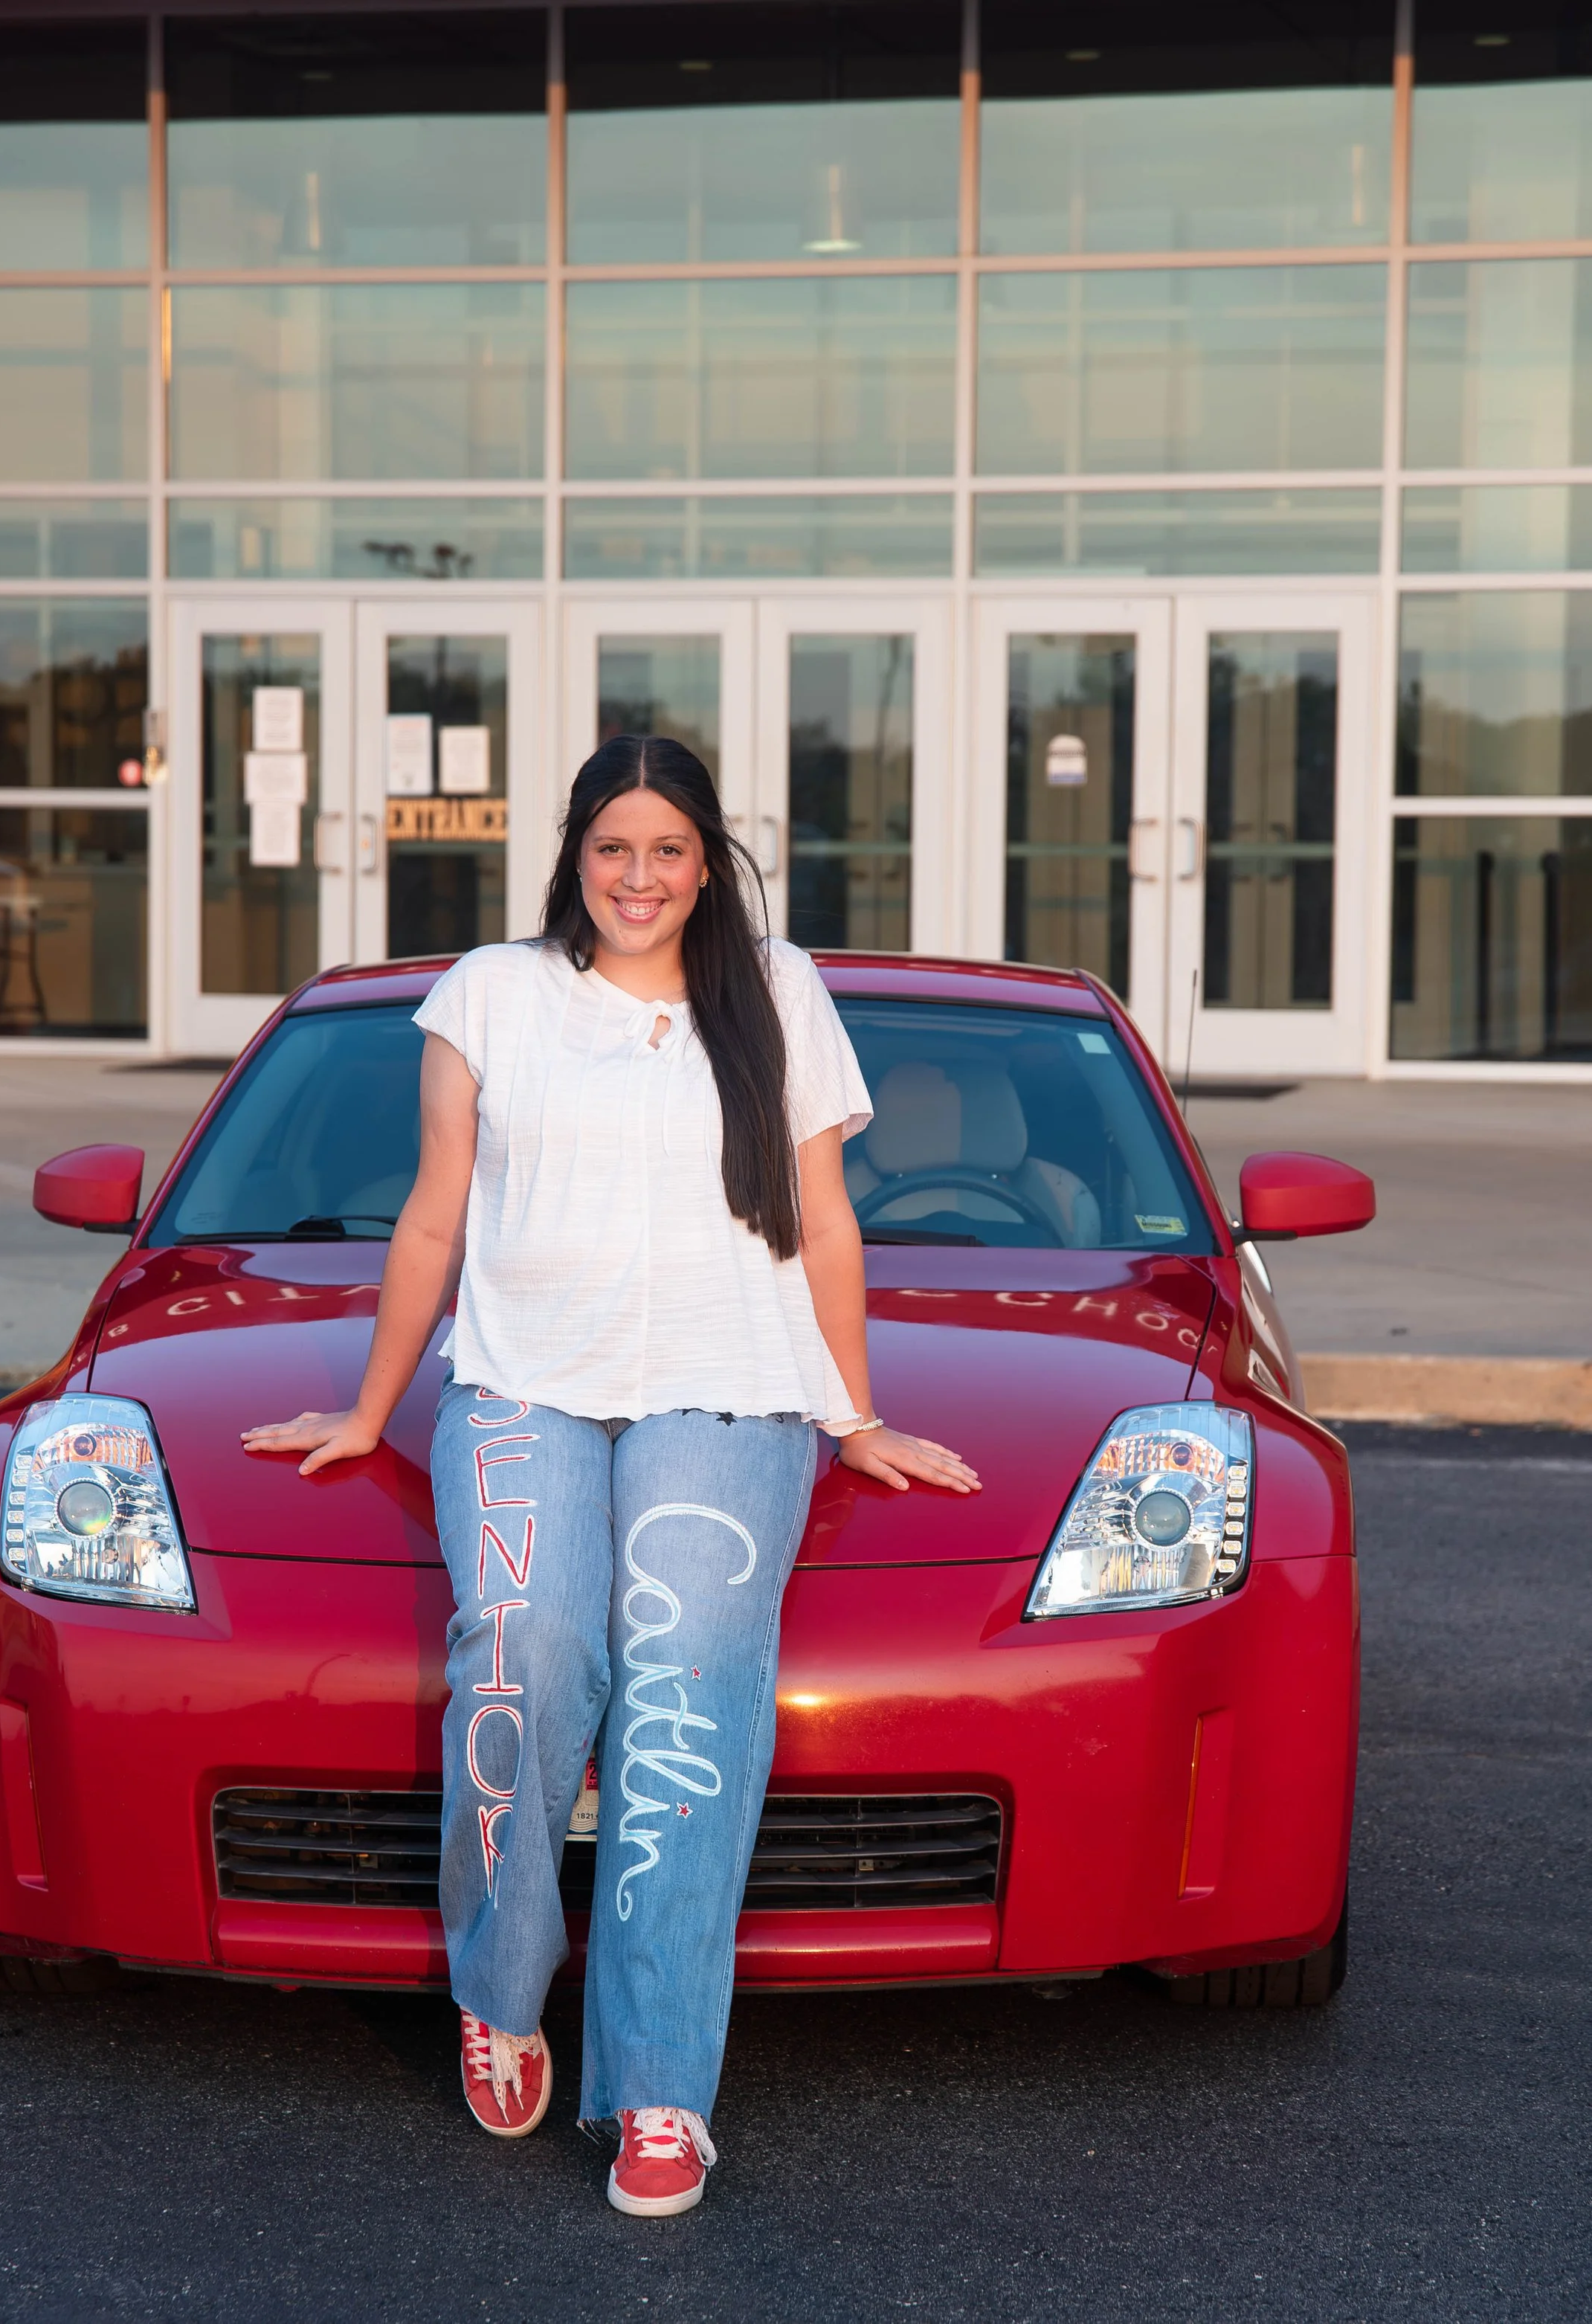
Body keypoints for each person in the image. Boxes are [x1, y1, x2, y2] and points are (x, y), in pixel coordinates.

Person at [243, 735, 979, 2215]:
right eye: (611, 849)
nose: (638, 878)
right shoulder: (488, 998)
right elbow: (434, 1222)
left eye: (668, 851)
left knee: (687, 1674)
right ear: (573, 855)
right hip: (520, 1380)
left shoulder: (774, 993)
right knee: (525, 1648)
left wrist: (850, 1415)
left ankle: (656, 2087)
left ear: (708, 863)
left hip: (733, 1386)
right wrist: (370, 1402)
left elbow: (823, 1225)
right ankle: (499, 1984)